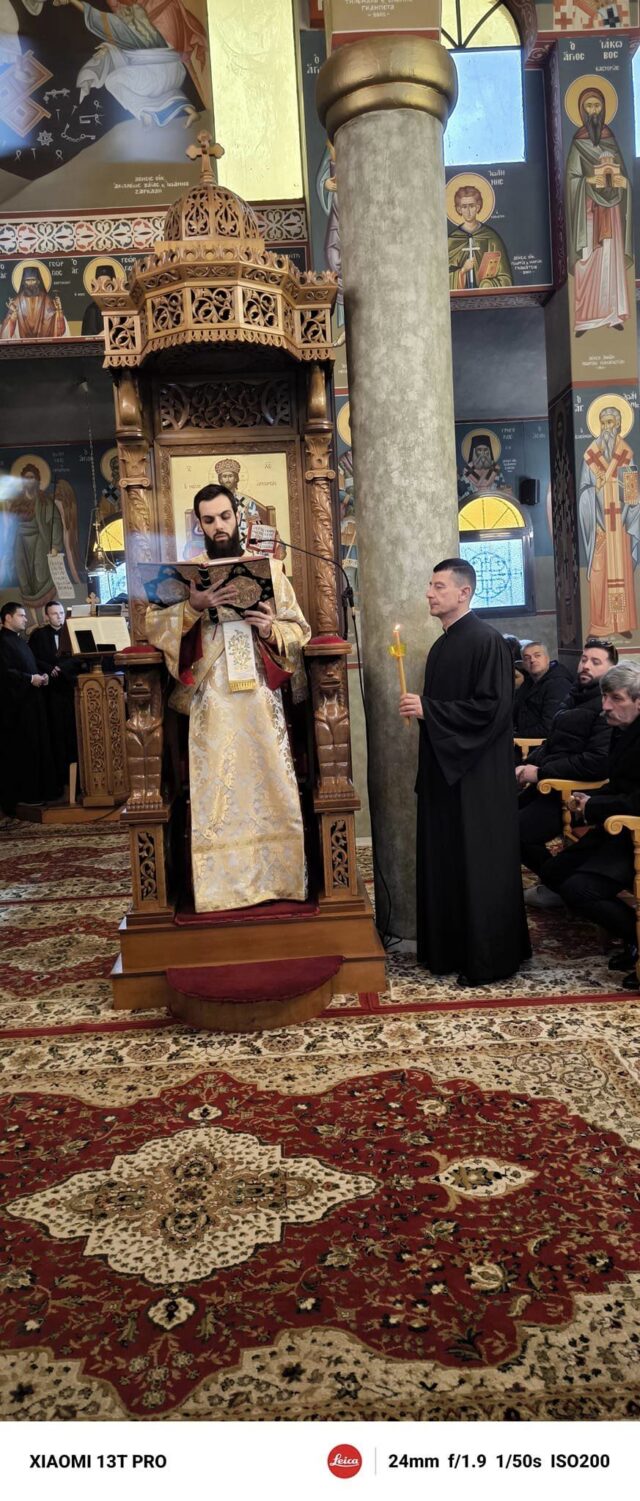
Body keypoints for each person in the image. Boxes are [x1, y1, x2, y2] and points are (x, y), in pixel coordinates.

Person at [145, 484, 311, 913]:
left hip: (259, 697)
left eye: (224, 517)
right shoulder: (189, 576)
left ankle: (278, 879)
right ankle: (223, 887)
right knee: (218, 788)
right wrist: (192, 607)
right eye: (209, 520)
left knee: (269, 782)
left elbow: (300, 631)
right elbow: (153, 625)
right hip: (212, 700)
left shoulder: (270, 570)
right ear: (199, 524)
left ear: (238, 516)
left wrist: (270, 628)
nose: (219, 526)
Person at [399, 557, 530, 985]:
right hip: (445, 772)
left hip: (478, 777)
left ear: (464, 592)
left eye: (438, 586)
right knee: (449, 862)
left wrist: (429, 710)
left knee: (479, 865)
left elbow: (492, 710)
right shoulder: (442, 645)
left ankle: (488, 959)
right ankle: (450, 951)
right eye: (429, 585)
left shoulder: (487, 641)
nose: (429, 593)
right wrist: (427, 711)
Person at [538, 663, 640, 988]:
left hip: (635, 833)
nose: (605, 706)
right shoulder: (623, 728)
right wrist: (589, 799)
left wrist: (594, 806)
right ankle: (632, 938)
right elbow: (621, 784)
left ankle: (636, 938)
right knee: (554, 872)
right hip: (619, 828)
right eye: (604, 697)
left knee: (579, 889)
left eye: (615, 699)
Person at [517, 637, 616, 904]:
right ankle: (555, 881)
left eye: (596, 662)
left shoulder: (607, 706)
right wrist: (527, 765)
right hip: (552, 782)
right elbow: (553, 742)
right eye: (584, 659)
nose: (586, 666)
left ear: (611, 670)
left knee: (516, 833)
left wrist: (541, 773)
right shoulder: (574, 695)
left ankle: (556, 885)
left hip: (572, 792)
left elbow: (596, 761)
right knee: (503, 817)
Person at [565, 86, 632, 337]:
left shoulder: (610, 138)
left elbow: (623, 175)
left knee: (610, 260)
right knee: (587, 260)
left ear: (603, 108)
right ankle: (585, 320)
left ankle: (612, 315)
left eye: (597, 105)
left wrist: (624, 184)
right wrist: (588, 182)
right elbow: (571, 179)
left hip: (611, 210)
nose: (594, 111)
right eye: (589, 106)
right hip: (588, 211)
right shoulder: (578, 141)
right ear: (582, 110)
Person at [579, 403, 640, 638]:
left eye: (610, 423)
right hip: (599, 526)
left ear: (619, 425)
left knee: (621, 575)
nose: (606, 428)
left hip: (620, 527)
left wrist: (629, 496)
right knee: (598, 574)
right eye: (603, 423)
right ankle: (599, 625)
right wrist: (594, 489)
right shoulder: (590, 456)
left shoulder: (626, 454)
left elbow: (633, 494)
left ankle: (621, 623)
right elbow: (583, 491)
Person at [0, 601, 60, 814]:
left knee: (38, 746)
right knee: (25, 750)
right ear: (8, 618)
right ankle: (26, 795)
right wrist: (29, 679)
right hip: (17, 709)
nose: (26, 619)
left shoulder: (19, 640)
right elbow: (5, 673)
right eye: (21, 615)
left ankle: (40, 792)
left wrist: (40, 676)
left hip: (32, 703)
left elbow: (29, 664)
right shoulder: (2, 642)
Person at [29, 600, 79, 789]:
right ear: (46, 616)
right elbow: (32, 658)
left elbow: (80, 657)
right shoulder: (38, 635)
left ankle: (78, 780)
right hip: (50, 692)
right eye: (54, 614)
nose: (59, 616)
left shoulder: (72, 631)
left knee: (73, 732)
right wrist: (50, 669)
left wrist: (62, 668)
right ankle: (60, 778)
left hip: (70, 688)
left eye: (61, 613)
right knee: (55, 733)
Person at [448, 185, 513, 290]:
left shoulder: (491, 237)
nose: (468, 211)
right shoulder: (452, 240)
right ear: (459, 209)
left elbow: (505, 277)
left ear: (478, 207)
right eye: (464, 207)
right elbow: (441, 278)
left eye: (472, 206)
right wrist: (463, 271)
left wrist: (488, 284)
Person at [513, 641, 573, 738]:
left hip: (542, 743)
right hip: (523, 737)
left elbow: (549, 727)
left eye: (537, 655)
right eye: (527, 658)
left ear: (547, 658)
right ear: (523, 663)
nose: (532, 660)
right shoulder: (528, 681)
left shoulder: (558, 684)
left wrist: (515, 736)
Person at [0, 264, 69, 341]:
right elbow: (6, 332)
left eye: (33, 280)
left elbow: (55, 323)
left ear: (38, 281)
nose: (30, 283)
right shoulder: (17, 301)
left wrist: (58, 309)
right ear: (23, 282)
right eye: (27, 280)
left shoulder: (46, 299)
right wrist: (13, 318)